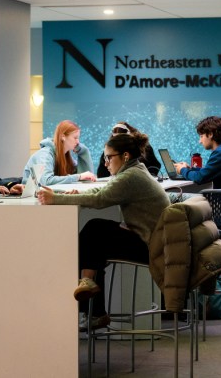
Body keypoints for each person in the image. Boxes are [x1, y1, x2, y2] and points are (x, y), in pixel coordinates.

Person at [37, 131, 169, 331]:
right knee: (96, 234)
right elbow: (101, 192)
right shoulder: (135, 170)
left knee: (94, 232)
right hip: (154, 240)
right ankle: (92, 304)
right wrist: (66, 193)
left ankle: (91, 305)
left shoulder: (131, 176)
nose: (106, 163)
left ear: (125, 156)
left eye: (109, 157)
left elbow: (99, 200)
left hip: (150, 246)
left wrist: (56, 199)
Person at [22, 120, 96, 185]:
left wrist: (83, 151)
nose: (78, 142)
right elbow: (46, 181)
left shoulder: (65, 156)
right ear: (63, 137)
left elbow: (87, 176)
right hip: (29, 199)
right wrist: (79, 176)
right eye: (75, 138)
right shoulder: (45, 155)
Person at [95, 122, 160, 178]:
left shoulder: (144, 149)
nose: (106, 164)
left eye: (122, 140)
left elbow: (155, 165)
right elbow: (101, 174)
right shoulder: (109, 152)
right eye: (116, 140)